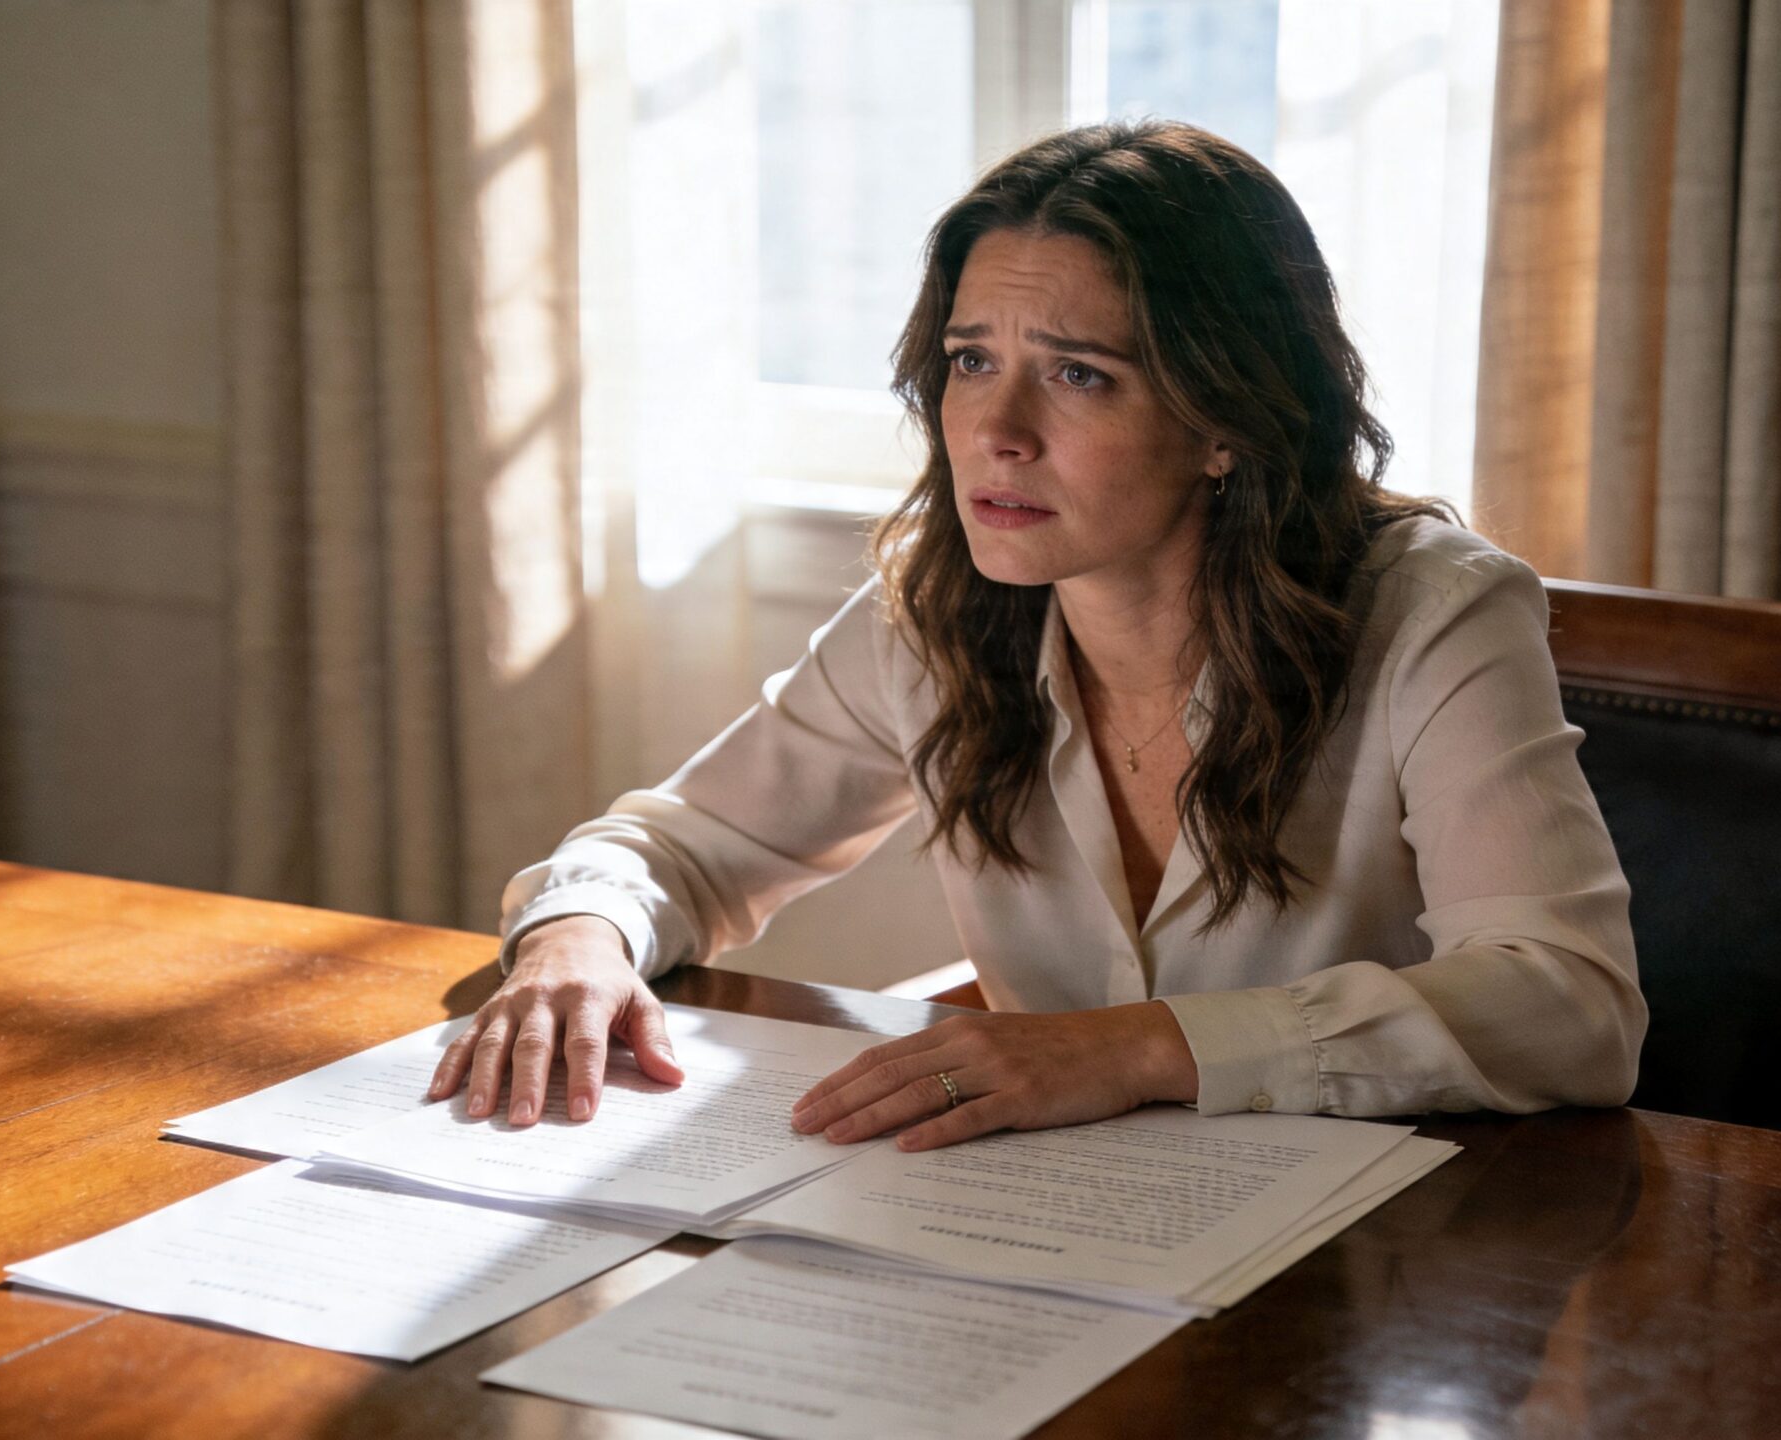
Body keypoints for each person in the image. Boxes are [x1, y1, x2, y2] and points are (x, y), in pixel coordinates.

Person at [425, 120, 1645, 1151]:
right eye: (969, 360)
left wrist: (1136, 1050)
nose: (995, 429)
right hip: (1047, 1231)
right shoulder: (936, 607)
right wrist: (575, 938)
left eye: (1079, 375)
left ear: (1226, 416)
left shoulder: (1434, 612)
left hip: (1376, 1243)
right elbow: (682, 847)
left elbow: (1567, 1004)